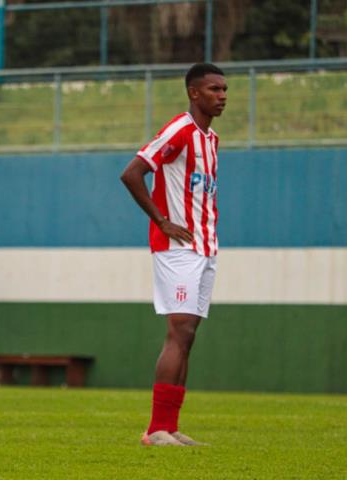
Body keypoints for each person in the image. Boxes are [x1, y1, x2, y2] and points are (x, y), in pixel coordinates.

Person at [120, 63, 227, 446]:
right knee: (178, 331)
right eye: (214, 89)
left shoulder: (211, 140)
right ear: (194, 93)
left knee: (189, 335)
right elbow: (132, 172)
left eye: (225, 89)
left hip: (205, 247)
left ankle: (169, 426)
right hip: (177, 248)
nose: (223, 96)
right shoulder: (179, 130)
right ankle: (155, 430)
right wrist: (162, 221)